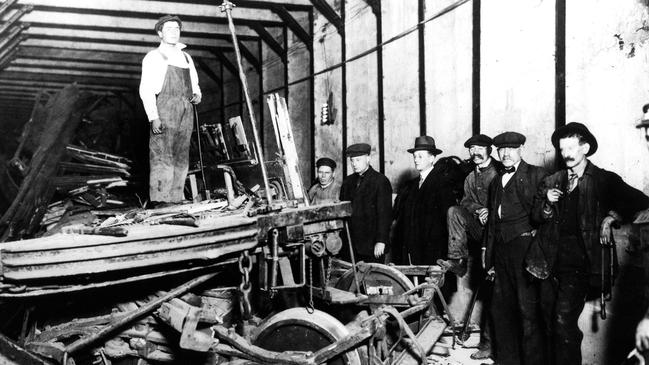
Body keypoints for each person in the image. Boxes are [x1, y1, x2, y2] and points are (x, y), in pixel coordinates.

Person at [525, 122, 649, 365]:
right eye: (562, 150)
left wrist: (612, 217)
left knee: (563, 323)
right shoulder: (553, 180)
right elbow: (536, 216)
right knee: (549, 323)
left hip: (580, 265)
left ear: (586, 148)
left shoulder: (603, 179)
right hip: (548, 262)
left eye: (572, 148)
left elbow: (641, 201)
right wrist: (547, 203)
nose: (567, 154)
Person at [483, 131, 547, 365]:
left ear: (521, 149)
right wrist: (488, 259)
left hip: (524, 249)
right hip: (501, 251)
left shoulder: (537, 175)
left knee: (527, 311)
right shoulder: (495, 182)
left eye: (511, 148)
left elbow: (545, 216)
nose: (506, 153)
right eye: (501, 149)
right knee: (501, 310)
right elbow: (492, 223)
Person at [436, 134, 500, 361]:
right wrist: (477, 210)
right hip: (479, 231)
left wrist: (490, 210)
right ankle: (457, 259)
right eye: (472, 148)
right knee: (454, 211)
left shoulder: (500, 173)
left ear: (490, 150)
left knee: (496, 295)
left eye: (480, 148)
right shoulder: (470, 178)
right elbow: (464, 202)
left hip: (500, 234)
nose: (475, 152)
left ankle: (492, 344)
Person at [139, 15, 202, 206]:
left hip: (186, 108)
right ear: (160, 33)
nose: (174, 32)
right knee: (162, 153)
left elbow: (196, 85)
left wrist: (197, 95)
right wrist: (153, 117)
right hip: (166, 107)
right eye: (169, 29)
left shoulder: (186, 57)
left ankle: (176, 197)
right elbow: (146, 89)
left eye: (177, 28)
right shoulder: (154, 57)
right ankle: (160, 198)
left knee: (182, 153)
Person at [392, 136, 457, 265]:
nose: (416, 160)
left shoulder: (442, 183)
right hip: (413, 249)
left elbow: (447, 220)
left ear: (432, 158)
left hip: (433, 250)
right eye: (415, 156)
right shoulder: (410, 185)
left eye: (420, 156)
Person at [339, 143, 392, 263]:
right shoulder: (348, 182)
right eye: (352, 160)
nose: (354, 164)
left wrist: (381, 241)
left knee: (372, 278)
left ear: (368, 159)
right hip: (350, 245)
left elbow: (385, 215)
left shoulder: (380, 181)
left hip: (371, 245)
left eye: (358, 160)